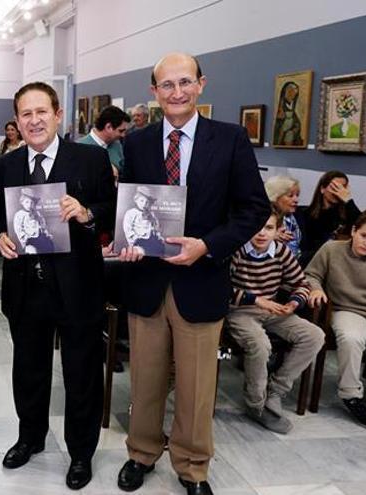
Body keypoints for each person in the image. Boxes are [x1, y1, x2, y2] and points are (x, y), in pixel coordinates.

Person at [114, 53, 270, 495]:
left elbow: (254, 208)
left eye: (185, 82)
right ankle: (141, 452)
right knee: (144, 378)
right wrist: (126, 240)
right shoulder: (140, 142)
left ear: (202, 84)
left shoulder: (231, 138)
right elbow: (132, 202)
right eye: (167, 85)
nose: (177, 92)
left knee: (198, 385)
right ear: (154, 91)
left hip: (202, 279)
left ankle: (192, 465)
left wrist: (208, 245)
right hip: (147, 280)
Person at [0, 81, 115, 491]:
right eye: (25, 114)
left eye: (41, 111)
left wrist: (86, 213)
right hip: (26, 288)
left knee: (80, 372)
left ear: (58, 114)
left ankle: (81, 452)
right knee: (29, 369)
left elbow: (112, 212)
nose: (34, 120)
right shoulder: (6, 166)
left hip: (78, 288)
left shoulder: (91, 160)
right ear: (17, 121)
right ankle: (30, 437)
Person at [227, 209, 324, 433]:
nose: (261, 234)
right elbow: (221, 288)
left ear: (278, 231)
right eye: (257, 228)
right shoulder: (237, 250)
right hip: (240, 311)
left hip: (272, 309)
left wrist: (294, 303)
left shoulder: (281, 251)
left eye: (269, 228)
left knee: (314, 335)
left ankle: (276, 390)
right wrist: (257, 300)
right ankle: (255, 404)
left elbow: (301, 283)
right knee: (260, 345)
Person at [306, 210, 366, 429]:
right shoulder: (331, 249)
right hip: (347, 308)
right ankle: (351, 395)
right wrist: (316, 290)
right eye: (365, 236)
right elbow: (311, 275)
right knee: (352, 337)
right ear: (353, 231)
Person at [299, 170, 361, 264]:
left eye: (342, 188)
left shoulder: (348, 214)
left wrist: (348, 201)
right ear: (322, 189)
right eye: (334, 187)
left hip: (341, 262)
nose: (337, 192)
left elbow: (364, 224)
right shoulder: (306, 214)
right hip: (315, 261)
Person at [78, 105, 130, 177]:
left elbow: (124, 171)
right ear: (108, 127)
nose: (123, 135)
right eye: (121, 131)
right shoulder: (80, 147)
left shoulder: (117, 145)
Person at [264, 175, 303, 258]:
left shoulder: (291, 217)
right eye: (290, 196)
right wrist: (271, 237)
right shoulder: (262, 216)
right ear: (275, 196)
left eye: (297, 195)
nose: (296, 200)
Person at [122, 185, 166, 257]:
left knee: (160, 247)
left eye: (147, 202)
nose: (144, 204)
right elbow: (127, 228)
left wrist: (159, 236)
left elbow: (155, 226)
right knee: (141, 252)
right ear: (136, 200)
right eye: (141, 200)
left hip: (151, 238)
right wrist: (134, 240)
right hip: (139, 239)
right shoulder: (131, 213)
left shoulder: (151, 214)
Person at [12, 187, 55, 254]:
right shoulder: (19, 214)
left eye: (31, 203)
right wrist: (25, 238)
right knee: (32, 250)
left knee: (50, 245)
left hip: (40, 237)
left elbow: (42, 223)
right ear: (22, 202)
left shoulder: (37, 213)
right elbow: (18, 229)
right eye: (27, 202)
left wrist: (46, 232)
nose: (29, 205)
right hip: (30, 238)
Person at [273, 81, 303, 146]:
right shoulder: (280, 108)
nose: (291, 95)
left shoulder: (292, 108)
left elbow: (297, 124)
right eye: (289, 92)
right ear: (284, 93)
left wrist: (293, 130)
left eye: (294, 94)